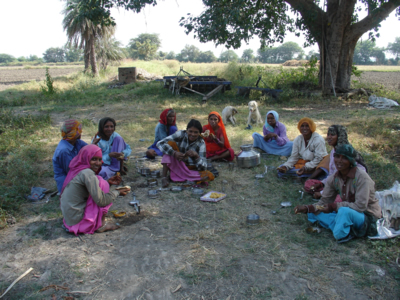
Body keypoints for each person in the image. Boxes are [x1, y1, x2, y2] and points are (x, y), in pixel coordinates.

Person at [294, 144, 381, 243]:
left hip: (366, 216)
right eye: (337, 156)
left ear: (351, 161)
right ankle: (343, 225)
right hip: (345, 211)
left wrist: (334, 207)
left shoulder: (362, 178)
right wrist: (308, 208)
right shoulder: (334, 178)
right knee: (313, 214)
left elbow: (360, 206)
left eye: (344, 158)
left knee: (343, 213)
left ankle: (343, 230)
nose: (339, 161)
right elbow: (324, 202)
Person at [60, 144, 130, 235]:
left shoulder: (78, 169)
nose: (98, 163)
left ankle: (96, 219)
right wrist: (117, 192)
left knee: (101, 181)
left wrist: (108, 182)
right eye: (93, 159)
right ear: (86, 158)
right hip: (78, 222)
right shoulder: (88, 173)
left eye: (100, 160)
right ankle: (101, 224)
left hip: (69, 218)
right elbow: (101, 201)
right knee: (102, 183)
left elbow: (85, 189)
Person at [304, 125, 368, 200]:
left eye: (332, 135)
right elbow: (332, 175)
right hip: (336, 184)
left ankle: (331, 196)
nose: (329, 137)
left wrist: (323, 193)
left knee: (338, 200)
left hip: (350, 185)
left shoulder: (346, 152)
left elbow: (342, 178)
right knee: (308, 184)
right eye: (328, 134)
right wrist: (321, 183)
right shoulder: (333, 152)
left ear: (340, 136)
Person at [156, 119, 214, 187]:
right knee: (169, 146)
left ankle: (178, 176)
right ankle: (164, 177)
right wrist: (174, 153)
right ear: (186, 130)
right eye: (190, 131)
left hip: (190, 169)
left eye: (196, 132)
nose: (192, 134)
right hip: (179, 163)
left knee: (209, 175)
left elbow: (203, 167)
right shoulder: (180, 134)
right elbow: (160, 143)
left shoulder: (201, 143)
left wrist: (196, 156)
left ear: (200, 133)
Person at [53, 119, 87, 193]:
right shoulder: (64, 150)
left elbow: (88, 149)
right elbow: (71, 170)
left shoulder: (76, 142)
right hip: (67, 179)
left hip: (76, 175)